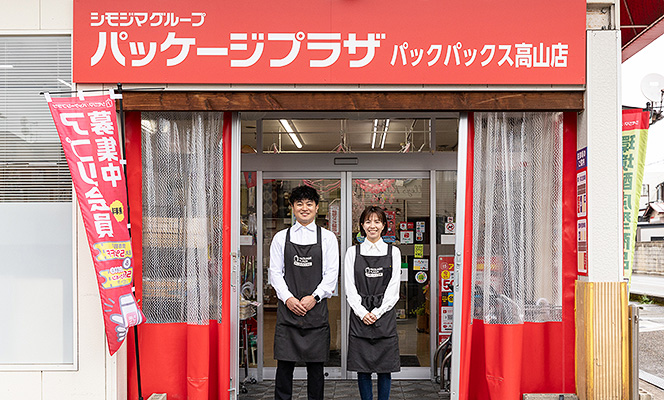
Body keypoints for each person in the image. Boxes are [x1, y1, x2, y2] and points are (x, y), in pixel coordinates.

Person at [268, 185, 339, 400]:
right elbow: (275, 273)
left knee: (316, 370)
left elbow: (331, 275)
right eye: (299, 204)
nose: (304, 208)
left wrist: (314, 297)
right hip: (288, 313)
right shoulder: (281, 238)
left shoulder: (327, 238)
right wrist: (288, 298)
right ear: (292, 207)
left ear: (317, 208)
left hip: (315, 313)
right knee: (284, 368)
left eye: (309, 204)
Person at [344, 206, 401, 400]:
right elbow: (349, 287)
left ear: (384, 226)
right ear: (362, 225)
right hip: (360, 314)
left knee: (385, 368)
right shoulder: (353, 252)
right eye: (368, 221)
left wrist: (377, 312)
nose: (372, 226)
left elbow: (394, 290)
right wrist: (362, 312)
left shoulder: (393, 252)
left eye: (377, 221)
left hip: (384, 314)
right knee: (363, 368)